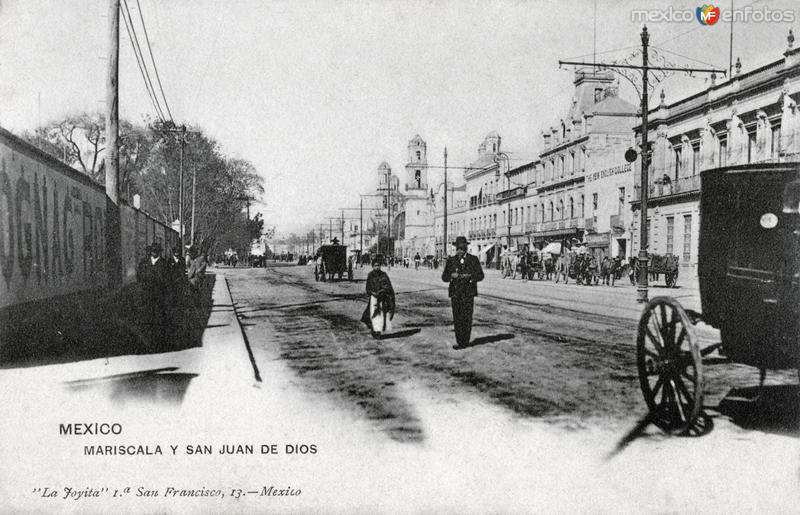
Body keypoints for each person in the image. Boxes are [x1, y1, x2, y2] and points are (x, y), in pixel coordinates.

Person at [441, 236, 484, 349]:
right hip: (456, 293)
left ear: (466, 248)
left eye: (462, 248)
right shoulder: (452, 260)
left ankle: (466, 341)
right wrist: (451, 275)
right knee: (457, 317)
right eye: (458, 248)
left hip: (468, 293)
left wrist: (470, 276)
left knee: (467, 317)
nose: (460, 251)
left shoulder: (473, 259)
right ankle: (460, 341)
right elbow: (444, 277)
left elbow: (480, 275)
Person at [136, 241, 171, 347]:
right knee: (146, 317)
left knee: (159, 318)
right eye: (153, 251)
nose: (154, 253)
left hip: (160, 296)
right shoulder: (144, 262)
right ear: (150, 251)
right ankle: (147, 340)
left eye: (156, 251)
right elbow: (139, 276)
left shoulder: (164, 264)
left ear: (159, 252)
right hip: (146, 295)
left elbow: (168, 281)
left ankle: (159, 341)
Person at [361, 255, 396, 339]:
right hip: (373, 298)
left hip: (382, 298)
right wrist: (372, 293)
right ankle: (374, 330)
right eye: (375, 266)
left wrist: (382, 291)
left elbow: (388, 286)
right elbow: (368, 287)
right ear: (372, 266)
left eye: (378, 266)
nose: (377, 267)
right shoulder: (370, 275)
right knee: (373, 315)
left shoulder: (383, 275)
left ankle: (378, 332)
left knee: (380, 315)